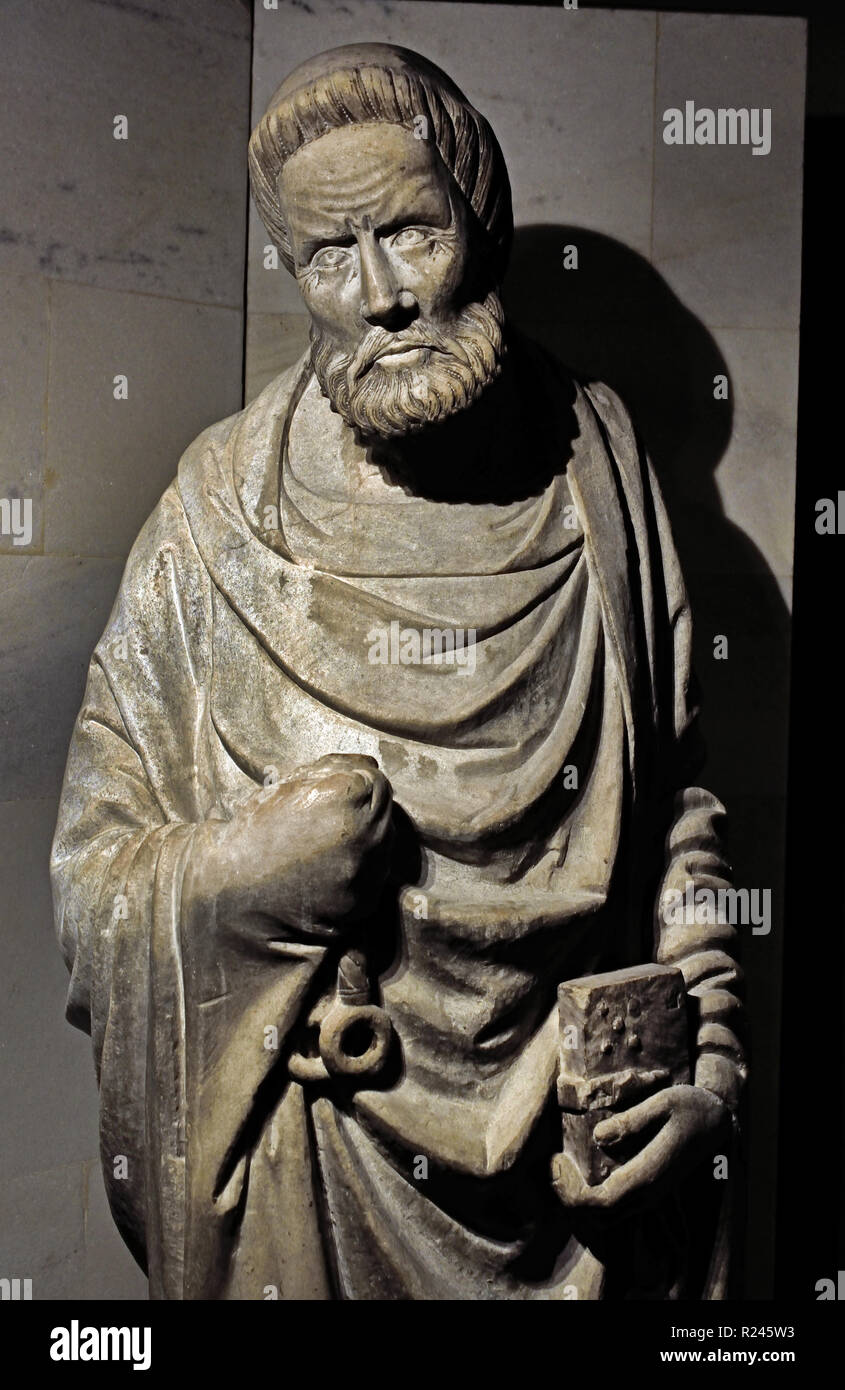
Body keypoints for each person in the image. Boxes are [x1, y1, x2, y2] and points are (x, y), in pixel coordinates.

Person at [52, 44, 745, 1300]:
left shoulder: (602, 474)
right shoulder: (218, 518)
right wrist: (246, 881)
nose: (380, 294)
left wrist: (709, 1065)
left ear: (481, 222)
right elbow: (94, 880)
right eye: (329, 256)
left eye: (412, 233)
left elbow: (672, 810)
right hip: (312, 1159)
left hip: (569, 1178)